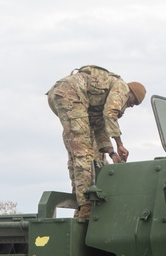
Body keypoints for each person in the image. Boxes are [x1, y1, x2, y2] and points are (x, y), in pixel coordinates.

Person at [47, 65, 146, 218]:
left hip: (63, 95)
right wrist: (120, 144)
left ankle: (80, 204)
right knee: (84, 153)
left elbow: (99, 127)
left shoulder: (104, 98)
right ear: (131, 93)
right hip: (70, 94)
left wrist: (112, 153)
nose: (132, 105)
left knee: (78, 151)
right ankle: (86, 207)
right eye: (134, 102)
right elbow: (110, 114)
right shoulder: (122, 88)